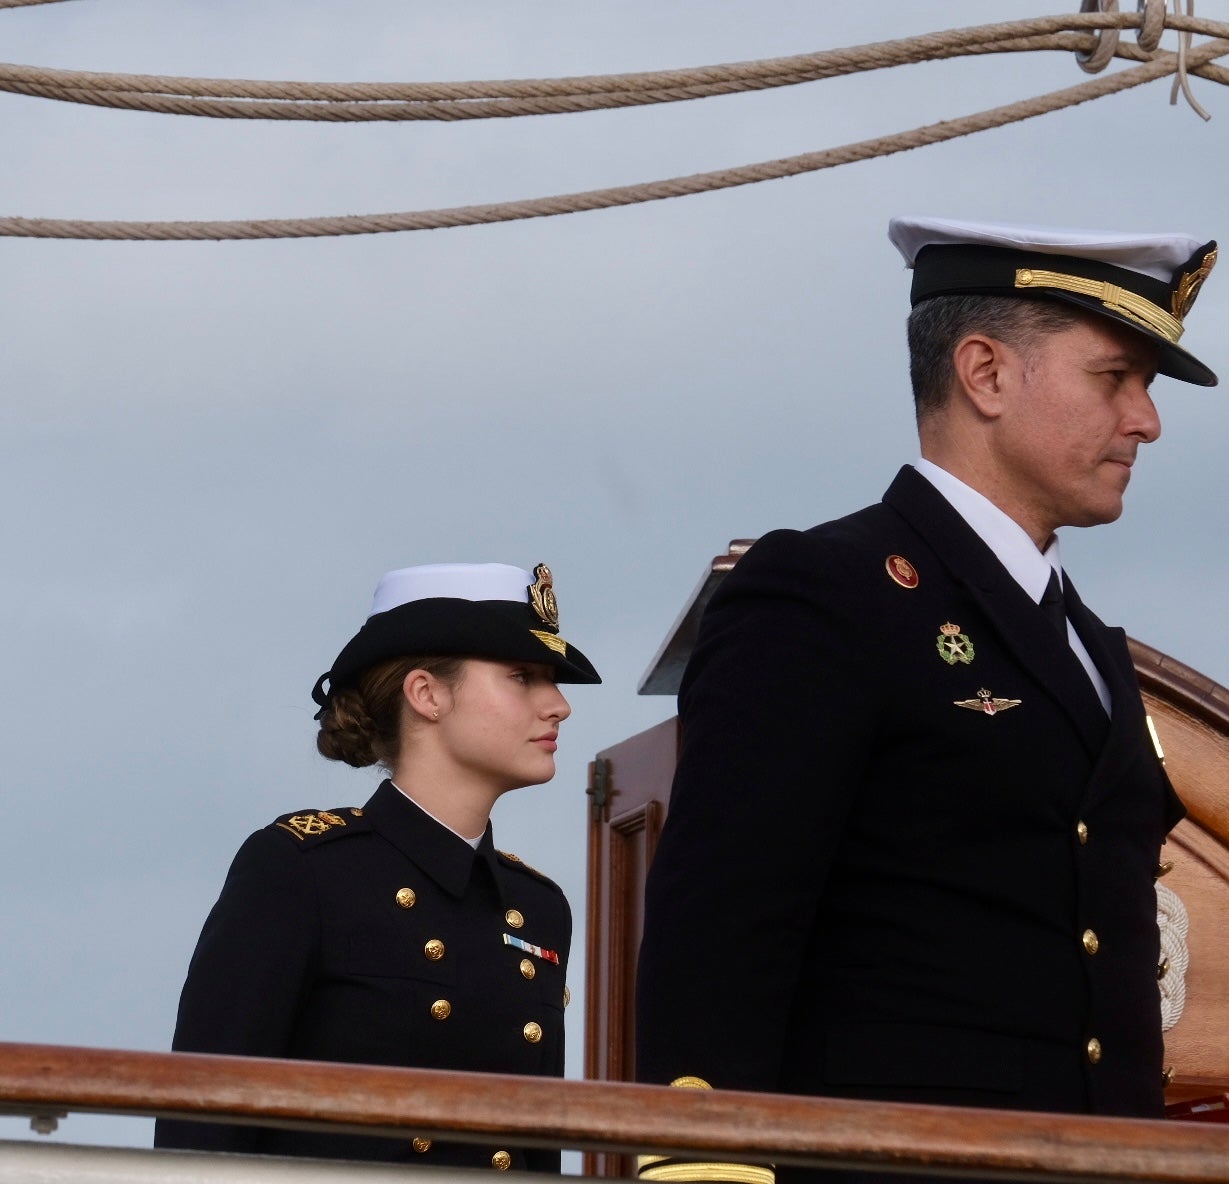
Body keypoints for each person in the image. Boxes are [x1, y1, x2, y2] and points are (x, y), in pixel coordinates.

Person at [634, 217, 1218, 1183]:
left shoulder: (1089, 646)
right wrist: (706, 1165)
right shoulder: (824, 591)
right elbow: (722, 930)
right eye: (1114, 378)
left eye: (1146, 389)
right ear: (984, 373)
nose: (1146, 421)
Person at [155, 561, 599, 1170]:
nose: (557, 705)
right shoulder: (302, 868)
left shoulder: (540, 907)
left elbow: (532, 1152)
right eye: (522, 676)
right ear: (427, 695)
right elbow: (201, 1125)